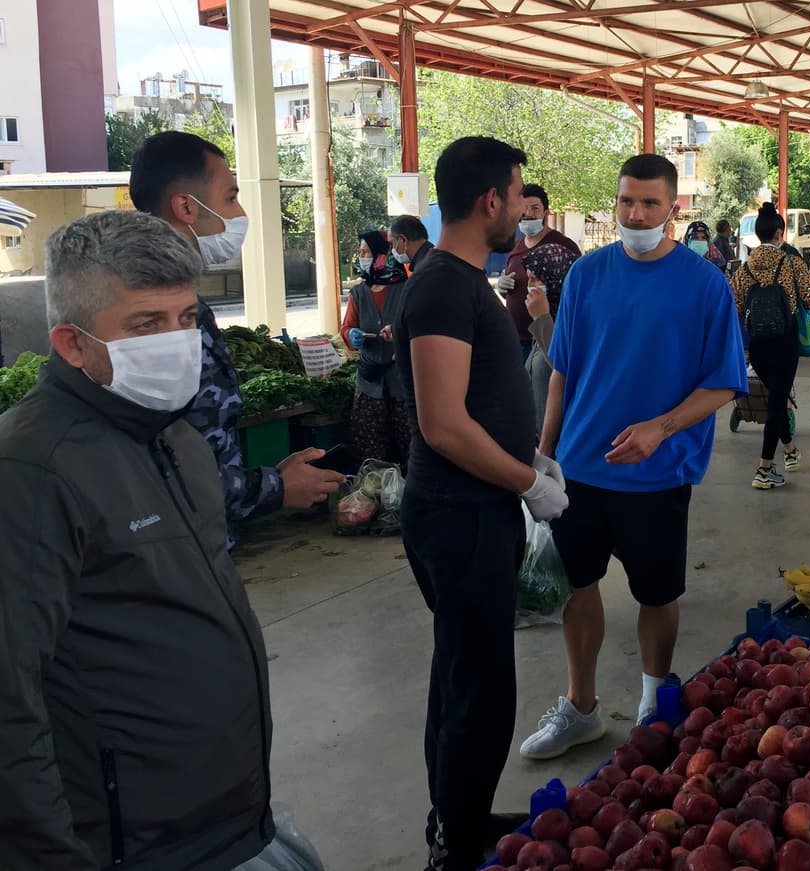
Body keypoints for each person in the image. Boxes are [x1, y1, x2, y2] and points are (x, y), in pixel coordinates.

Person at [0, 211, 279, 869]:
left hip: (221, 814)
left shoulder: (176, 437)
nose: (179, 342)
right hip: (129, 842)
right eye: (147, 325)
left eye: (186, 318)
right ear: (72, 343)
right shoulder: (32, 470)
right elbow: (9, 699)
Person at [520, 153, 748, 758]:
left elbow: (725, 382)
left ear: (673, 208)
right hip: (580, 471)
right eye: (626, 201)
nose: (636, 213)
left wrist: (662, 428)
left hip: (657, 474)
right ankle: (581, 707)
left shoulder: (705, 285)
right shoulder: (588, 275)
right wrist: (545, 459)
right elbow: (561, 373)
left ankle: (652, 700)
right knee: (577, 587)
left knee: (657, 594)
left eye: (649, 203)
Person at [394, 137, 569, 871]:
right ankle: (458, 845)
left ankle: (456, 818)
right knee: (482, 686)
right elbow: (443, 423)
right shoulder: (441, 286)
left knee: (463, 673)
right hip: (458, 514)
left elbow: (475, 408)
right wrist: (528, 484)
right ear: (490, 201)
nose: (525, 208)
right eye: (519, 193)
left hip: (478, 503)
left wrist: (526, 456)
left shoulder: (469, 281)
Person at [128, 131, 343, 548]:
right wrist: (275, 487)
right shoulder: (156, 313)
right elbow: (167, 473)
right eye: (230, 197)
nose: (240, 211)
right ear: (187, 206)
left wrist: (275, 477)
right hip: (174, 553)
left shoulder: (173, 296)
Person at [730, 202, 810, 490]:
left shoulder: (744, 270)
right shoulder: (792, 263)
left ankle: (791, 451)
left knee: (778, 399)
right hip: (785, 343)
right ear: (780, 233)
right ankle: (764, 469)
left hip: (758, 346)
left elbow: (735, 306)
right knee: (776, 403)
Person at [341, 230, 412, 468]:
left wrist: (400, 333)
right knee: (369, 448)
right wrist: (352, 336)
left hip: (402, 380)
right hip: (369, 381)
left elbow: (421, 326)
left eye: (366, 252)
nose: (361, 257)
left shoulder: (406, 288)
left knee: (409, 443)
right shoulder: (359, 293)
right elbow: (347, 328)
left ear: (382, 256)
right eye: (360, 252)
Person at [496, 183, 581, 361]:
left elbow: (577, 291)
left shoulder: (562, 246)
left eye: (535, 208)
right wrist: (503, 289)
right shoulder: (516, 248)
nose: (528, 214)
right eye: (523, 208)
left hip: (546, 340)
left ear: (546, 212)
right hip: (516, 339)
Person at [522, 241, 581, 437]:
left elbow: (563, 366)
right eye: (528, 279)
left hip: (560, 441)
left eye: (537, 279)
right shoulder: (548, 318)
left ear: (557, 278)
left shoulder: (574, 320)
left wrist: (542, 319)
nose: (531, 287)